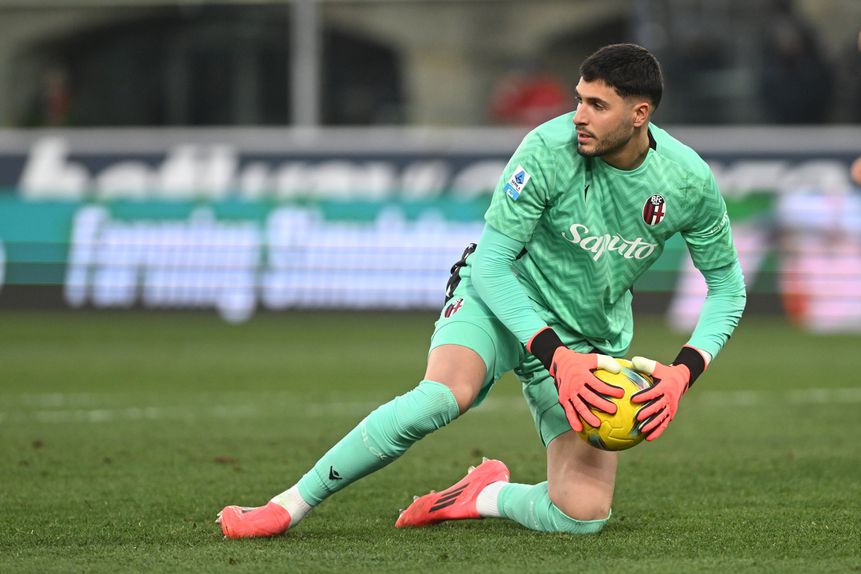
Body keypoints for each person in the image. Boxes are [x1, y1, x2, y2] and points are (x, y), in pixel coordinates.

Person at [217, 43, 747, 538]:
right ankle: (286, 507)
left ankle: (481, 493)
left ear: (640, 115)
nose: (579, 116)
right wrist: (554, 356)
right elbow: (493, 265)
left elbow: (727, 288)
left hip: (585, 334)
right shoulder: (545, 148)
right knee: (444, 397)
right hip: (500, 299)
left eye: (597, 105)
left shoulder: (687, 182)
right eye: (579, 99)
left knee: (581, 517)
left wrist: (683, 372)